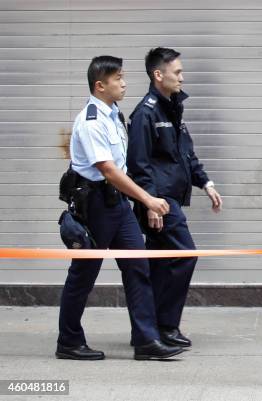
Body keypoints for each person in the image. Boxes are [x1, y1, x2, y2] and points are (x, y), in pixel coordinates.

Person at [57, 55, 184, 361]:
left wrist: (138, 201)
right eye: (118, 79)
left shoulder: (114, 115)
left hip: (118, 204)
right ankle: (69, 342)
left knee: (137, 266)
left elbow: (123, 169)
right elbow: (109, 170)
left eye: (123, 77)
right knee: (84, 274)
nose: (124, 83)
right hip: (96, 205)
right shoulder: (90, 121)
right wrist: (148, 200)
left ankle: (147, 341)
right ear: (100, 86)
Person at [127, 48, 222, 348]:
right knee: (185, 254)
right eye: (177, 72)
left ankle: (150, 329)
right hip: (160, 202)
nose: (182, 77)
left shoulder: (172, 108)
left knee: (159, 264)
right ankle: (165, 325)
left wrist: (205, 183)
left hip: (169, 200)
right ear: (159, 75)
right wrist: (149, 203)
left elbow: (185, 154)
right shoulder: (145, 113)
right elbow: (138, 164)